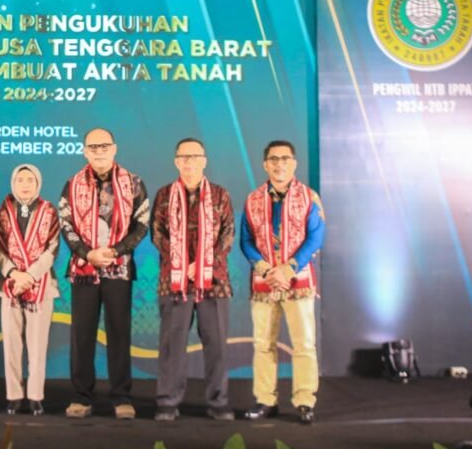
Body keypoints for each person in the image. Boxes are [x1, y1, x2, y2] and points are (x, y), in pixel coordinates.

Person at [59, 127, 149, 419]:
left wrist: (116, 251)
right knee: (82, 334)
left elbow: (142, 223)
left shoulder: (134, 183)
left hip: (118, 269)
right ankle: (81, 396)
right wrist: (87, 253)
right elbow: (65, 224)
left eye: (104, 146)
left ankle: (122, 396)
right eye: (93, 147)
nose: (99, 151)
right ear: (85, 151)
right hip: (84, 269)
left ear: (114, 148)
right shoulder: (72, 184)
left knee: (119, 333)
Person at [240, 140, 325, 425]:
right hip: (264, 282)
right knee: (263, 344)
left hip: (297, 280)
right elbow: (246, 240)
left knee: (304, 344)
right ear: (265, 164)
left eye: (285, 158)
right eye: (274, 159)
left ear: (294, 163)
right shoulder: (253, 199)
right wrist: (265, 268)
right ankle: (266, 400)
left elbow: (316, 236)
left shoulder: (309, 197)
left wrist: (289, 267)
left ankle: (304, 400)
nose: (279, 164)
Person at [151, 138, 235, 422]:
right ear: (176, 161)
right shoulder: (164, 195)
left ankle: (218, 402)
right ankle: (168, 401)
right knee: (172, 345)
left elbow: (227, 234)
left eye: (195, 156)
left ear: (204, 161)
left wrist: (200, 264)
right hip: (174, 281)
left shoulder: (220, 195)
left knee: (217, 345)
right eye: (184, 157)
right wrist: (183, 264)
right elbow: (157, 233)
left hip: (214, 281)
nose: (189, 162)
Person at [0, 164, 60, 416]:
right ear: (13, 183)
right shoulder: (3, 212)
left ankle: (35, 396)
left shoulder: (49, 211)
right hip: (9, 285)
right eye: (20, 179)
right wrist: (14, 273)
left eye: (30, 180)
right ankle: (13, 395)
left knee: (37, 344)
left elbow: (52, 249)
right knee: (11, 344)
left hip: (41, 285)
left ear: (38, 183)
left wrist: (30, 275)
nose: (25, 184)